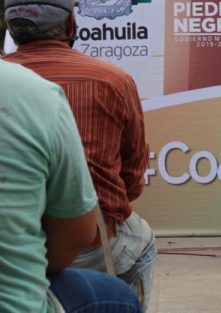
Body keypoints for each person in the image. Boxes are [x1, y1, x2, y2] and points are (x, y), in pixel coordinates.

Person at [3, 0, 156, 307]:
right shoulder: (113, 80)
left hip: (14, 244)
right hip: (89, 245)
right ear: (71, 26)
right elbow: (130, 178)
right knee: (143, 242)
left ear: (11, 30)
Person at [0, 57, 142, 312]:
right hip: (84, 245)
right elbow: (74, 237)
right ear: (70, 27)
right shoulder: (33, 90)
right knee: (121, 290)